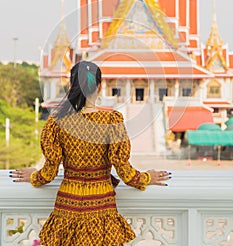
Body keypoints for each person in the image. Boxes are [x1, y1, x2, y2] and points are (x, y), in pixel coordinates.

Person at [10, 61, 172, 245]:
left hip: (67, 208)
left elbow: (48, 173)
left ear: (71, 86)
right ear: (100, 86)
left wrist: (33, 176)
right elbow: (125, 172)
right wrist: (147, 178)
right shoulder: (111, 120)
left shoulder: (56, 123)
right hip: (101, 210)